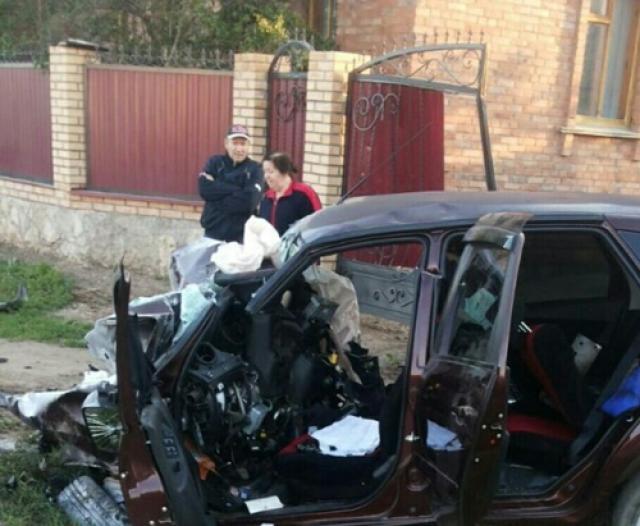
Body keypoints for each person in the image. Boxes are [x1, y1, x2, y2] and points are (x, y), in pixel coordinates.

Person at [198, 124, 264, 242]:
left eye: (243, 144)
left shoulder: (255, 169)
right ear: (226, 144)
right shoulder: (215, 163)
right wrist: (238, 190)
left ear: (248, 146)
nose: (239, 149)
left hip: (241, 237)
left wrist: (215, 198)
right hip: (213, 233)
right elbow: (204, 190)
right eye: (235, 143)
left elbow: (250, 202)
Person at [259, 152, 322, 236]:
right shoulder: (266, 198)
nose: (266, 176)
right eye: (265, 172)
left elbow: (317, 223)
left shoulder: (304, 193)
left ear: (284, 171)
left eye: (270, 171)